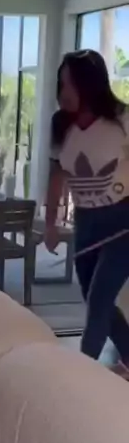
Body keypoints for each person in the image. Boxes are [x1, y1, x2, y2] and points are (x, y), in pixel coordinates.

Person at [45, 49, 129, 371]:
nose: (63, 92)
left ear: (90, 85)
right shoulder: (60, 124)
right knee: (97, 302)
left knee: (98, 299)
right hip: (86, 222)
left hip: (123, 222)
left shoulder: (122, 119)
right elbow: (56, 176)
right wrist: (50, 223)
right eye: (61, 83)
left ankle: (81, 374)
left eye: (71, 84)